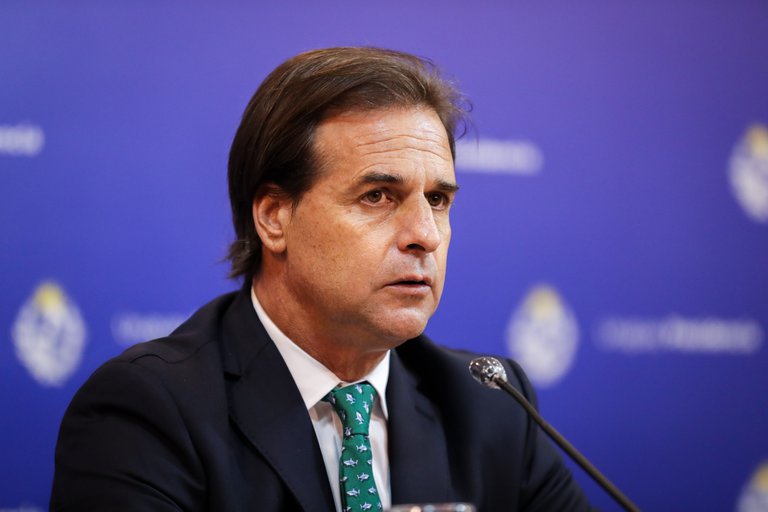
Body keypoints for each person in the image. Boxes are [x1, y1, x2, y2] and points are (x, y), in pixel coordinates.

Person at [51, 47, 591, 511]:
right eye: (377, 196)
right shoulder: (150, 410)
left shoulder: (490, 405)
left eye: (437, 200)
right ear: (274, 218)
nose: (425, 235)